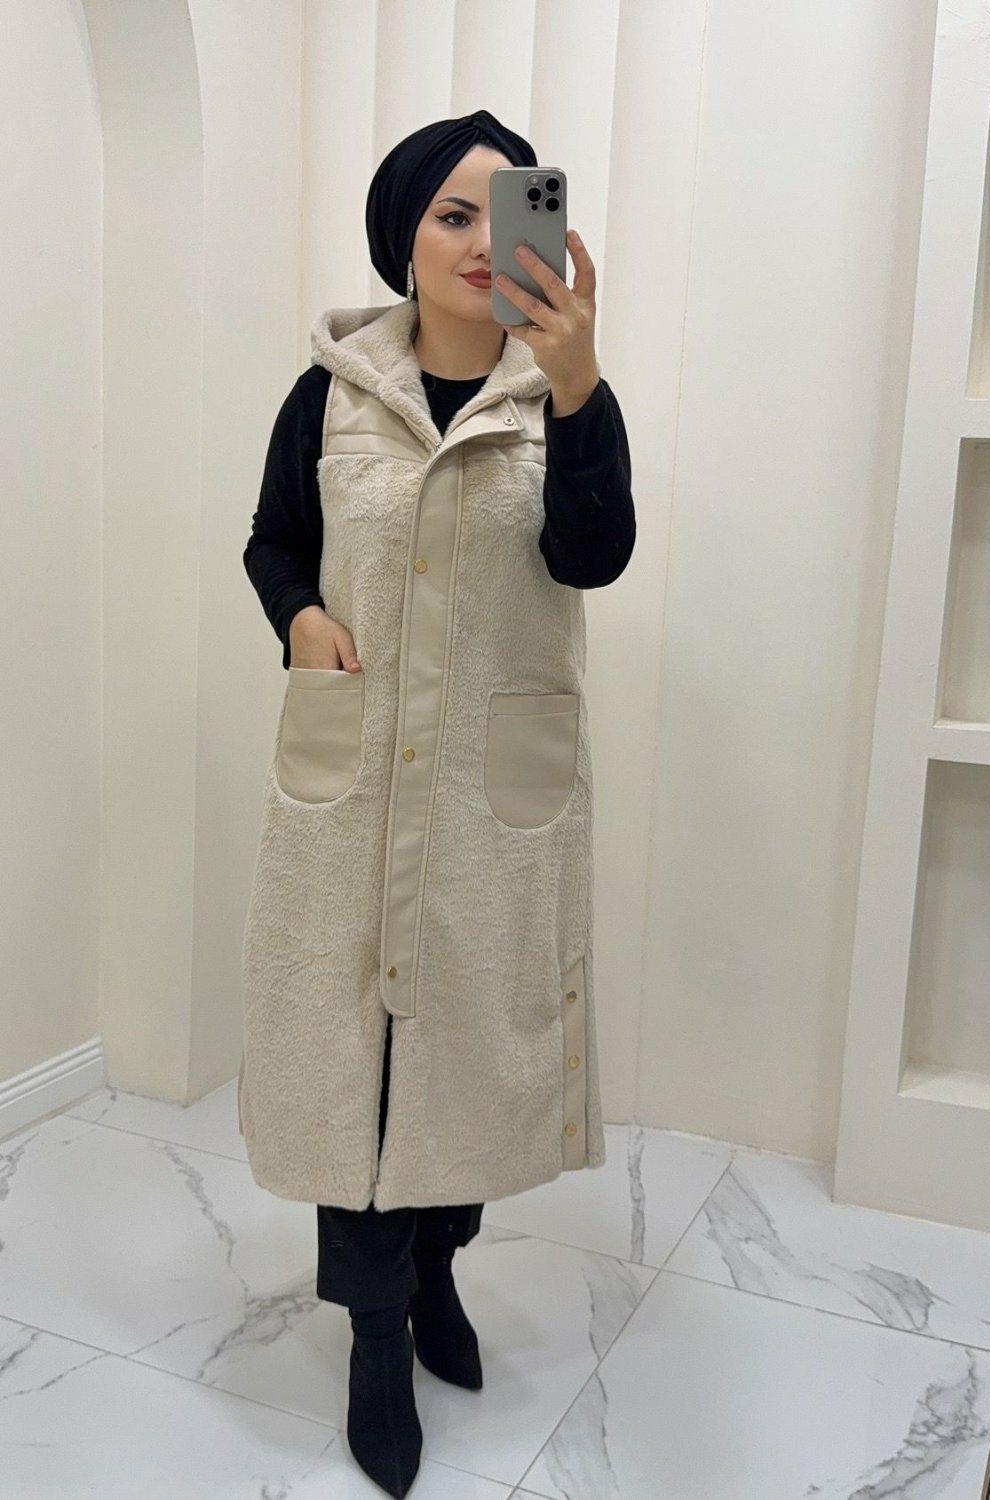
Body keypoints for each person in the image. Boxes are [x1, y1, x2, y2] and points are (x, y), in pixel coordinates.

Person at [241, 108, 635, 1499]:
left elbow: (594, 554)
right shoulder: (329, 394)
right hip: (352, 786)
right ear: (402, 237)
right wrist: (300, 619)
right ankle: (372, 1340)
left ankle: (439, 1279)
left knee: (462, 1049)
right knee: (352, 1066)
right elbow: (275, 541)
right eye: (449, 214)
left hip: (488, 795)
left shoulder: (558, 392)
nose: (478, 241)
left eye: (502, 211)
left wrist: (579, 389)